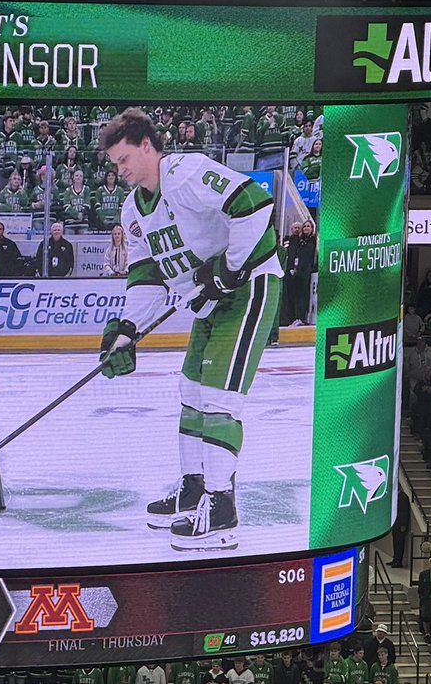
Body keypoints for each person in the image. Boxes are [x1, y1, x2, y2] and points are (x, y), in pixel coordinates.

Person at [98, 108, 282, 550]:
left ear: (147, 145)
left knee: (220, 398)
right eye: (114, 164)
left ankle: (222, 509)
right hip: (210, 300)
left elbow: (253, 204)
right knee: (191, 392)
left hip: (248, 288)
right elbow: (147, 279)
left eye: (123, 159)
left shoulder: (185, 172)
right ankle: (195, 486)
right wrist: (126, 332)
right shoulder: (132, 211)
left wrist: (228, 269)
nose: (119, 170)